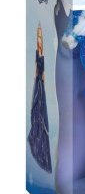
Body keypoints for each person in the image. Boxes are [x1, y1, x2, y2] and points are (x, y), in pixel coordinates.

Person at [28, 24, 52, 172]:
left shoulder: (41, 55)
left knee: (39, 110)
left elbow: (39, 73)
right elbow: (37, 73)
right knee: (38, 110)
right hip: (39, 84)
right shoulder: (39, 55)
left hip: (40, 84)